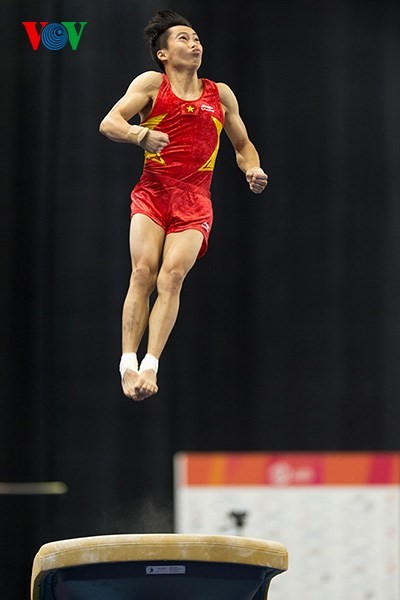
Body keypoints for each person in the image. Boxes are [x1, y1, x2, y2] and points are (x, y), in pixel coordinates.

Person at [99, 10, 268, 401]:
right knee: (143, 271)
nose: (194, 44)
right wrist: (139, 134)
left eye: (196, 38)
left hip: (195, 201)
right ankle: (127, 363)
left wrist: (253, 169)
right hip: (153, 192)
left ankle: (150, 365)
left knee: (171, 277)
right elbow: (109, 123)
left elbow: (243, 146)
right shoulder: (151, 84)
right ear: (162, 53)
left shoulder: (219, 94)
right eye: (183, 38)